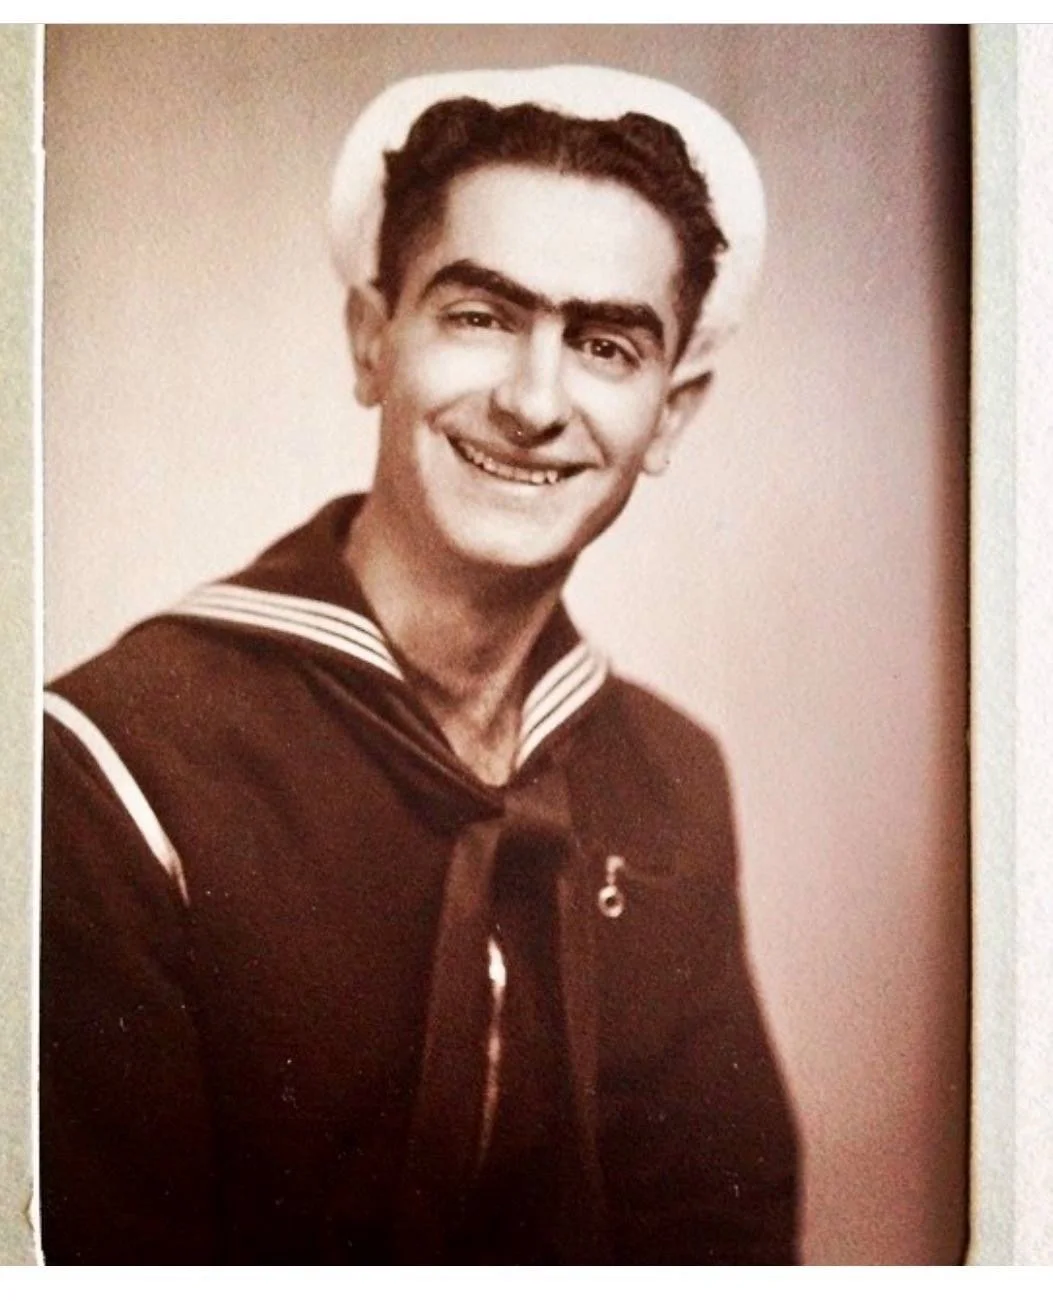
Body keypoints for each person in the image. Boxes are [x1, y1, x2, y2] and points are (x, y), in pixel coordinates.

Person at [40, 64, 800, 1264]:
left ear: (672, 412)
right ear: (370, 337)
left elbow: (725, 1250)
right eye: (481, 316)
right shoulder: (110, 766)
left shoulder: (670, 782)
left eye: (605, 344)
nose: (535, 400)